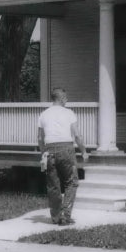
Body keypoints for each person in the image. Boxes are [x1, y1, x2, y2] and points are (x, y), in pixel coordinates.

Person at [37, 87, 88, 225]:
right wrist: (83, 151)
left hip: (49, 150)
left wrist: (43, 154)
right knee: (71, 181)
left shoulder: (43, 114)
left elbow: (40, 139)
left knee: (53, 185)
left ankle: (56, 217)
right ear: (60, 99)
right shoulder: (69, 113)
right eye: (65, 98)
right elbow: (77, 135)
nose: (67, 100)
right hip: (66, 149)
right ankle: (66, 215)